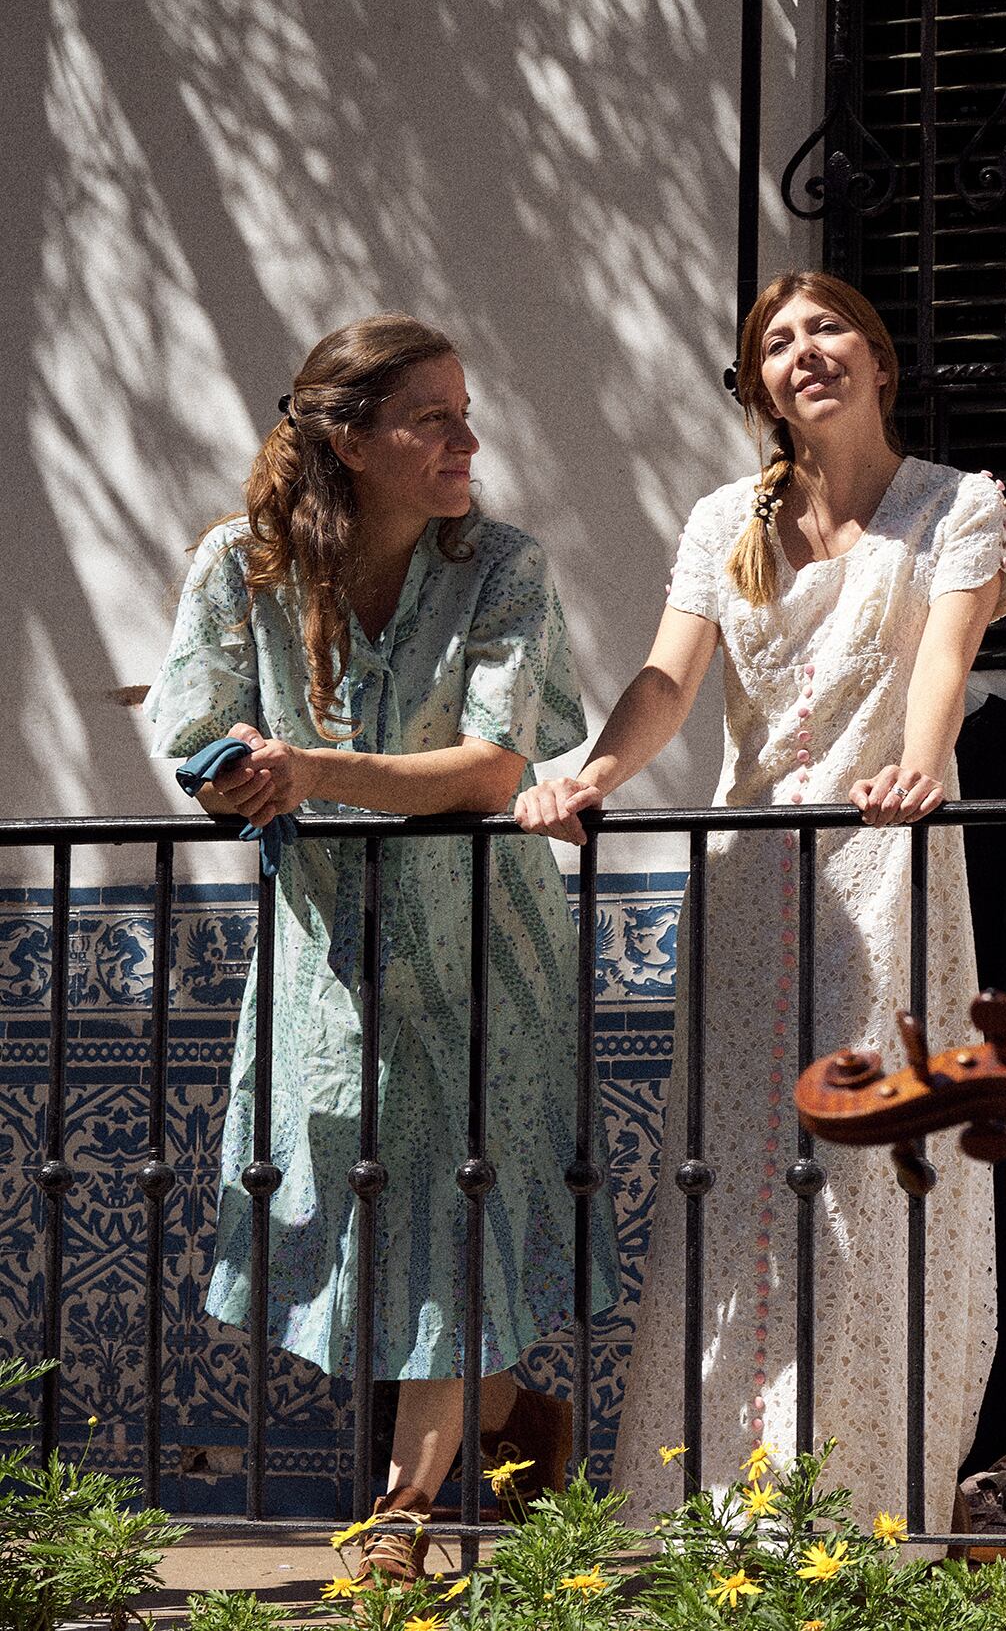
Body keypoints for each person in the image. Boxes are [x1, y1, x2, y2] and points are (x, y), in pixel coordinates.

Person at [515, 271, 1006, 1528]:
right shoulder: (721, 520)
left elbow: (944, 660)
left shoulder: (956, 506)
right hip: (750, 890)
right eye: (777, 342)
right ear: (759, 387)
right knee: (738, 1169)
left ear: (879, 356)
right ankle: (722, 1507)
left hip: (887, 863)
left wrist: (918, 761)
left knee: (866, 1169)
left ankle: (856, 1508)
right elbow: (666, 687)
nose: (805, 353)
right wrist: (583, 772)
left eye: (827, 328)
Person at [149, 314, 616, 1581]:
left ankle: (404, 1510)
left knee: (457, 1208)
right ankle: (517, 1421)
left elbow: (494, 763)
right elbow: (192, 725)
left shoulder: (502, 567)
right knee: (376, 1207)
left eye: (467, 413)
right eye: (435, 419)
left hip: (485, 948)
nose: (469, 441)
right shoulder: (238, 567)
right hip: (326, 952)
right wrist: (234, 774)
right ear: (349, 441)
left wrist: (314, 768)